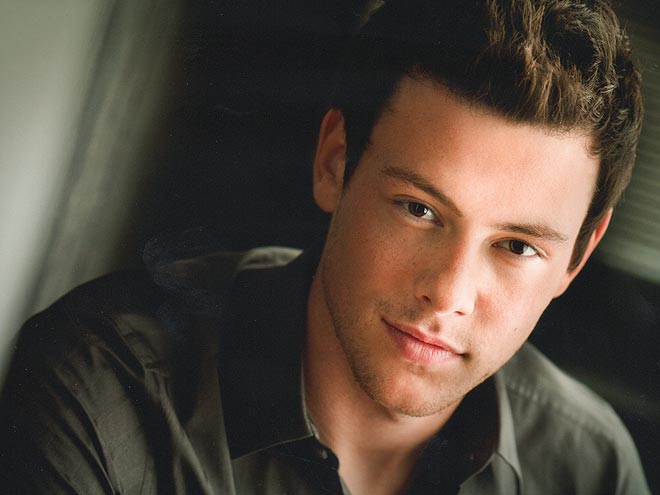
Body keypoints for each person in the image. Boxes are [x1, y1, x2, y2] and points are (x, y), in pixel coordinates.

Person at [0, 0, 649, 493]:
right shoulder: (103, 387)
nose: (448, 293)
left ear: (577, 257)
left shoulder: (592, 468)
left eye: (516, 246)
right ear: (334, 162)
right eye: (419, 209)